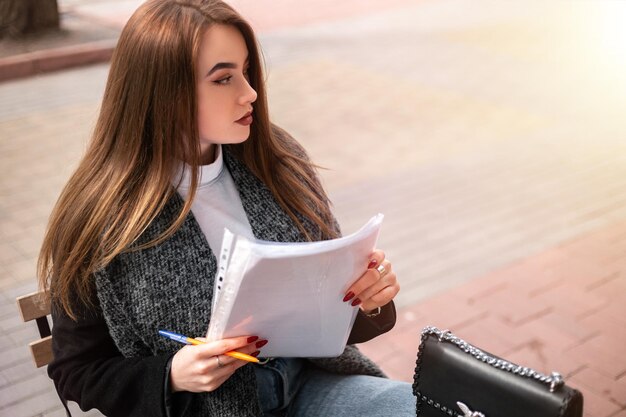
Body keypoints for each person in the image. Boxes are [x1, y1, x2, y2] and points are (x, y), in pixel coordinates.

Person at [37, 1, 415, 416]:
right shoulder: (101, 215)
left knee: (424, 408)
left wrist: (369, 299)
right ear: (163, 94)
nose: (249, 92)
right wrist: (172, 375)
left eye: (247, 70)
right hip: (209, 410)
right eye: (223, 79)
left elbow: (334, 316)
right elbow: (76, 371)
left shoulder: (276, 158)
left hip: (310, 385)